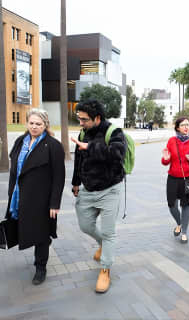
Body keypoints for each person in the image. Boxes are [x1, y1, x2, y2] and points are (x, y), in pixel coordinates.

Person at [71, 99, 126, 293]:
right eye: (79, 119)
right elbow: (79, 159)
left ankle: (105, 269)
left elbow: (118, 153)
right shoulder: (83, 133)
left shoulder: (114, 132)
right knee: (85, 225)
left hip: (110, 190)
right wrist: (76, 182)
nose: (81, 123)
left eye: (84, 119)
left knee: (109, 232)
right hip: (88, 189)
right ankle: (102, 244)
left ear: (97, 118)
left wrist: (90, 148)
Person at [6, 108, 65, 285]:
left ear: (45, 125)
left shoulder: (53, 146)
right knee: (23, 227)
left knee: (41, 234)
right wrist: (11, 193)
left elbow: (59, 177)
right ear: (27, 123)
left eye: (38, 124)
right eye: (31, 123)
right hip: (20, 196)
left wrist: (54, 203)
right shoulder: (20, 141)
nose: (34, 127)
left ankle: (41, 267)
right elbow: (14, 170)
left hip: (42, 200)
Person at [161, 117, 189, 244]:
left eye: (188, 125)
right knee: (171, 205)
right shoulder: (172, 141)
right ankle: (179, 223)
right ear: (178, 127)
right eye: (183, 125)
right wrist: (166, 158)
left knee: (185, 205)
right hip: (173, 177)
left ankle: (184, 232)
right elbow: (165, 161)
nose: (186, 127)